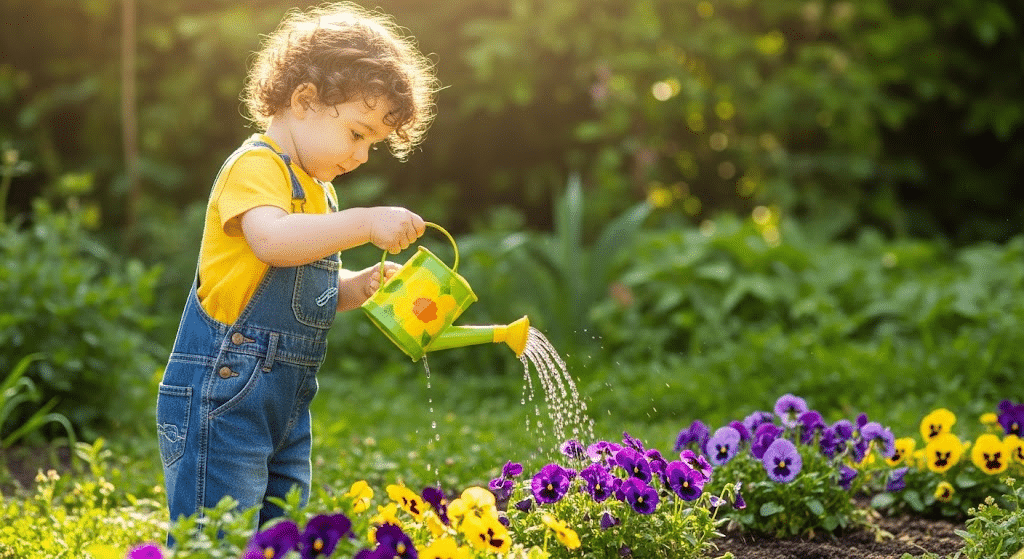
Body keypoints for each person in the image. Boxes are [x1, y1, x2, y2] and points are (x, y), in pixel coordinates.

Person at [156, 1, 438, 533]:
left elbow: (304, 282)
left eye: (373, 144)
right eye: (357, 133)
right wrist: (364, 222)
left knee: (279, 531)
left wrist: (356, 285)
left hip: (285, 403)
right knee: (218, 535)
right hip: (224, 395)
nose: (362, 156)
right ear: (305, 99)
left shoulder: (320, 190)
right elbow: (273, 242)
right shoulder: (255, 166)